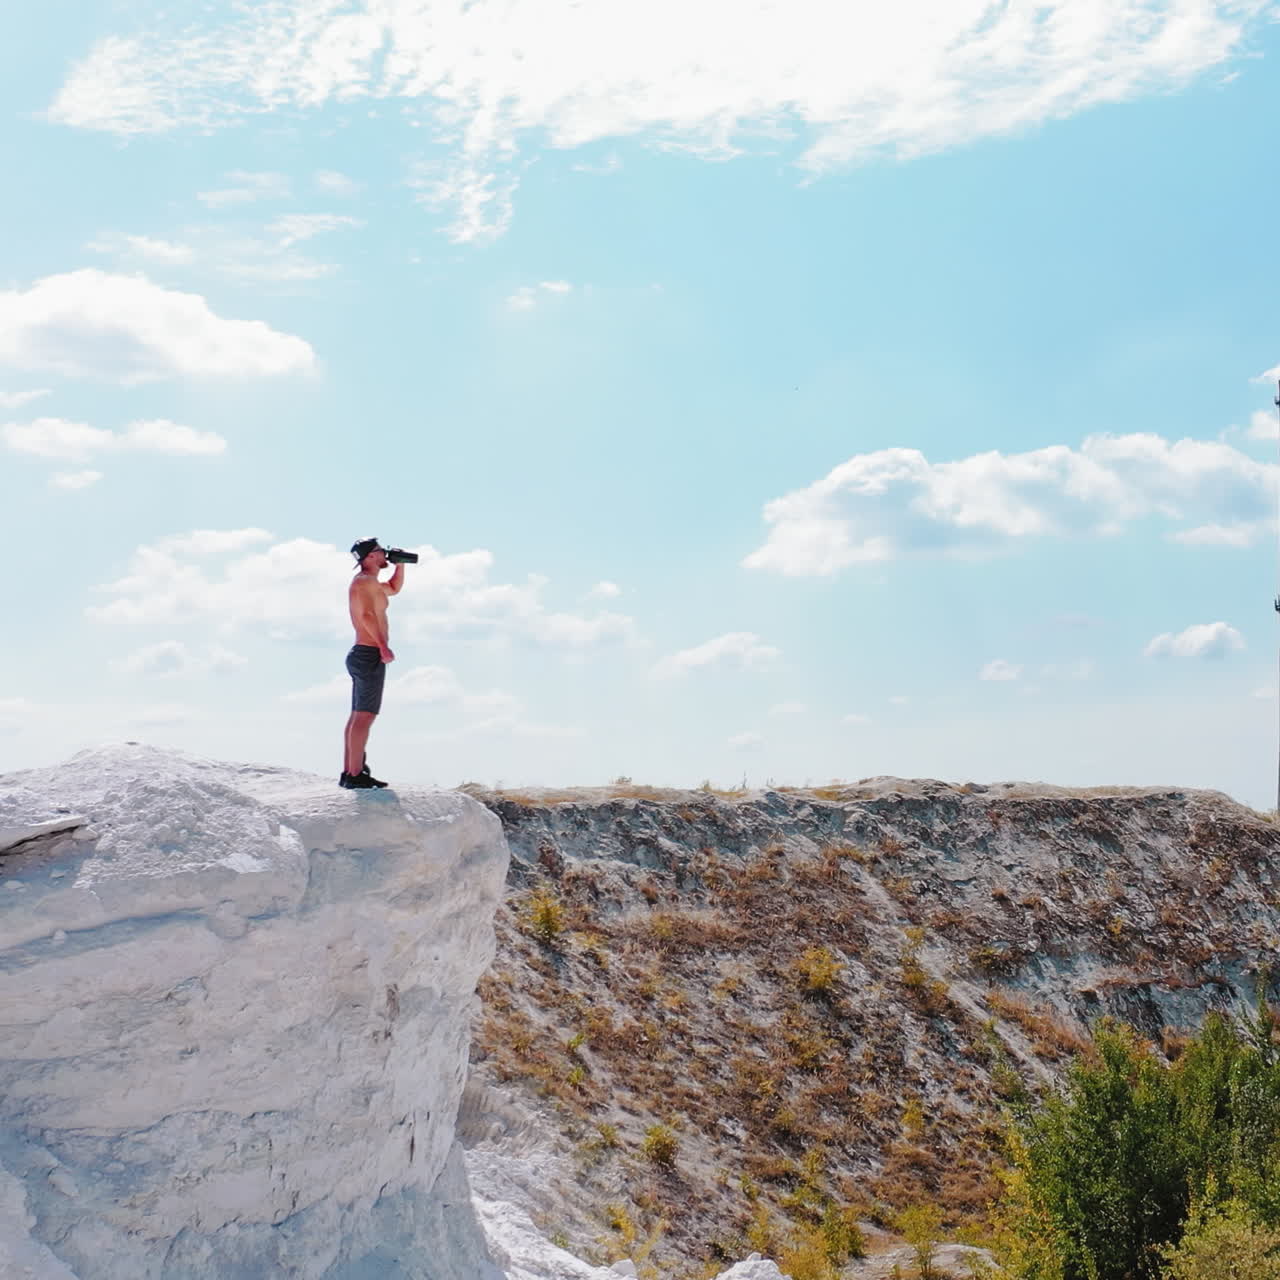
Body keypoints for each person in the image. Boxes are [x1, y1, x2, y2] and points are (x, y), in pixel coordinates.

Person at [341, 537, 407, 789]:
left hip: (363, 653)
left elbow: (393, 588)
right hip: (368, 654)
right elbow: (367, 615)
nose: (384, 555)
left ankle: (351, 770)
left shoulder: (370, 583)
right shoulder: (363, 583)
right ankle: (355, 774)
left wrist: (401, 565)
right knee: (364, 717)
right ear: (370, 556)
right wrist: (382, 646)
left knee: (358, 716)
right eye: (380, 552)